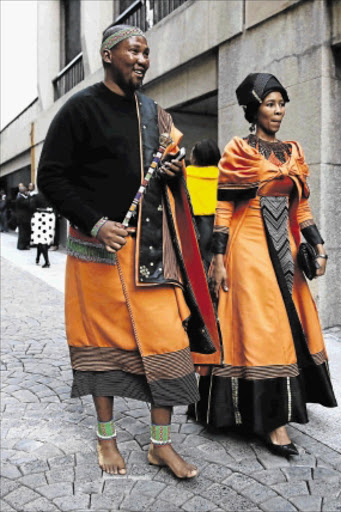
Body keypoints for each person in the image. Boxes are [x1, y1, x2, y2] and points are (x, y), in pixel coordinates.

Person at [37, 24, 220, 478]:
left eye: (146, 52)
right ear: (106, 55)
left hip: (153, 253)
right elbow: (51, 177)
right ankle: (106, 440)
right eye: (132, 51)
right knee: (103, 349)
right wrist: (97, 224)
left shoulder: (154, 112)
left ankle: (161, 446)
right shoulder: (79, 109)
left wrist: (175, 168)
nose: (142, 59)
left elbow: (170, 167)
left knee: (170, 343)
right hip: (98, 253)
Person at [190, 73, 337, 457]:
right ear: (253, 109)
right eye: (270, 104)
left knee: (290, 326)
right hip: (248, 248)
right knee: (262, 329)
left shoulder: (294, 151)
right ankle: (273, 424)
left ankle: (271, 412)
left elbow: (301, 207)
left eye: (281, 103)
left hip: (285, 249)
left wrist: (319, 246)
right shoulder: (239, 149)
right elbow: (223, 207)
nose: (278, 111)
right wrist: (218, 259)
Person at [186, 139, 220, 270]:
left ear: (195, 158)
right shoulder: (225, 176)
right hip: (219, 222)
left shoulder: (186, 175)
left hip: (194, 222)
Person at [30, 192, 56, 268]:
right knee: (43, 239)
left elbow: (31, 207)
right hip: (50, 217)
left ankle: (47, 262)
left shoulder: (36, 196)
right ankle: (37, 258)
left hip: (40, 217)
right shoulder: (51, 195)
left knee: (41, 240)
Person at [15, 184, 32, 250]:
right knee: (23, 232)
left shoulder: (20, 197)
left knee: (23, 232)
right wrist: (29, 196)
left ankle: (23, 245)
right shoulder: (20, 198)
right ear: (24, 191)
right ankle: (22, 246)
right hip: (23, 218)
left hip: (22, 218)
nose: (27, 191)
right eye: (26, 190)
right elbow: (28, 203)